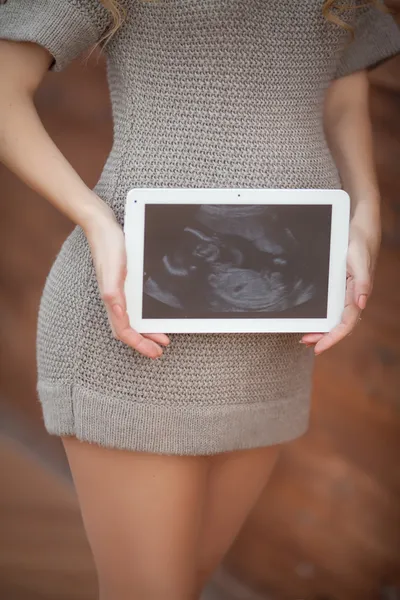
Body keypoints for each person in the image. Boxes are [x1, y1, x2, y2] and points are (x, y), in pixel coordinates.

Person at [0, 1, 399, 598]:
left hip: (273, 334)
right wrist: (96, 221)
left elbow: (342, 103)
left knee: (184, 583)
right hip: (133, 324)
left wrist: (365, 219)